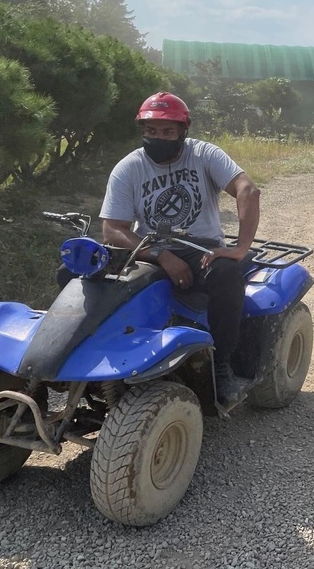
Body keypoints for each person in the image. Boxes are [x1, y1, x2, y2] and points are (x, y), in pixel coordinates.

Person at [99, 92, 261, 409]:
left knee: (227, 277)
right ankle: (106, 353)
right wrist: (161, 255)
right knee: (93, 275)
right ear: (143, 130)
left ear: (182, 131)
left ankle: (221, 364)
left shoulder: (203, 155)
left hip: (201, 247)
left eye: (167, 131)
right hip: (149, 247)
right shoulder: (128, 168)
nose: (158, 137)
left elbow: (248, 190)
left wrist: (240, 249)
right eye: (152, 131)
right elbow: (112, 229)